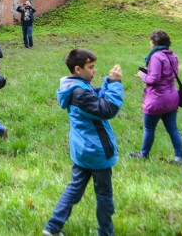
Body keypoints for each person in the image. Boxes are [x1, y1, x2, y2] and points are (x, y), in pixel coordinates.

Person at [43, 49, 124, 236]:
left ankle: (53, 227)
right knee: (104, 195)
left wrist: (107, 83)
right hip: (96, 151)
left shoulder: (74, 87)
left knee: (74, 188)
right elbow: (108, 108)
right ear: (78, 69)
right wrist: (116, 84)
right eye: (91, 67)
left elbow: (96, 97)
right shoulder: (80, 93)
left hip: (82, 150)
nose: (94, 71)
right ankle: (106, 232)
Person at [130, 30, 182, 165]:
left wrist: (142, 75)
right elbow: (171, 75)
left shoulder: (156, 57)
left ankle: (143, 154)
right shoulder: (173, 56)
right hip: (172, 98)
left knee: (149, 129)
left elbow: (154, 79)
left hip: (156, 100)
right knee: (173, 128)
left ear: (154, 42)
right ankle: (179, 157)